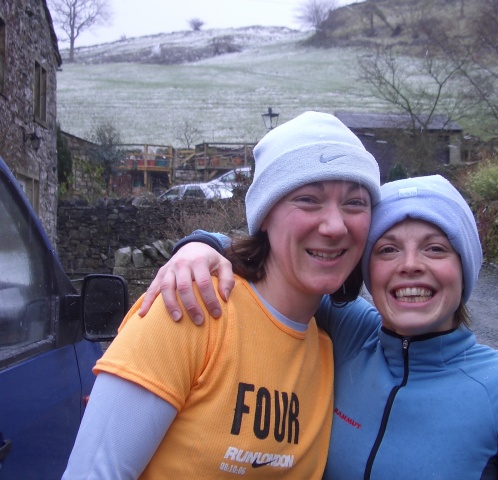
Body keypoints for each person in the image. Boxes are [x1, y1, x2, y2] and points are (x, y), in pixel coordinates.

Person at [144, 175, 498, 479]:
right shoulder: (349, 334)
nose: (410, 266)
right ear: (366, 269)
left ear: (465, 268)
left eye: (436, 248)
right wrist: (201, 245)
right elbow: (284, 260)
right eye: (388, 250)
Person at [62, 111, 381, 479]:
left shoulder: (329, 351)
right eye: (309, 199)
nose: (335, 226)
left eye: (355, 203)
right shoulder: (188, 306)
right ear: (265, 214)